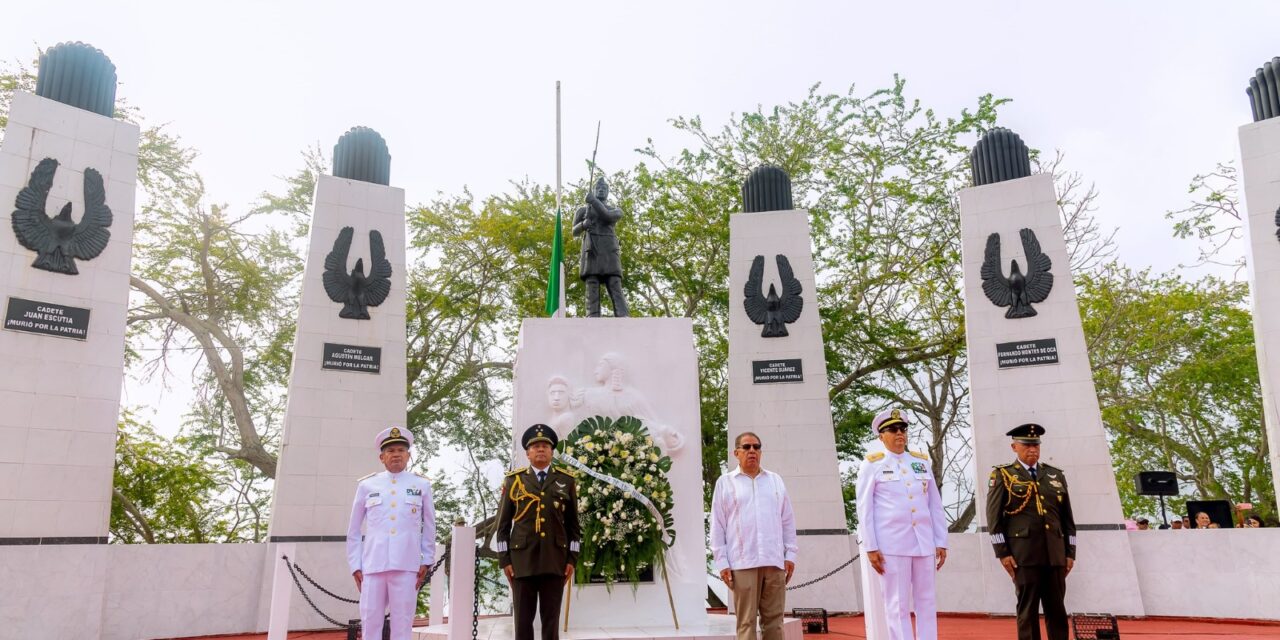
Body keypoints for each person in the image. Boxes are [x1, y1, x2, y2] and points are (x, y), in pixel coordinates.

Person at [856, 408, 948, 640]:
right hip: (892, 544)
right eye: (893, 430)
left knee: (927, 601)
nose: (899, 433)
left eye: (903, 429)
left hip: (923, 542)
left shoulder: (921, 463)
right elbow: (865, 509)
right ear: (881, 436)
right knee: (897, 604)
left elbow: (934, 505)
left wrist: (941, 541)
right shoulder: (872, 464)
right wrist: (871, 547)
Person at [986, 423, 1076, 640]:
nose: (1032, 449)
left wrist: (1070, 553)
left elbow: (1067, 519)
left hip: (1055, 555)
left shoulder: (1055, 475)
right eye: (1026, 445)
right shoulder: (1003, 475)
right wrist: (1002, 553)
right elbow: (994, 519)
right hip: (1023, 555)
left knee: (1057, 610)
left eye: (1036, 445)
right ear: (1014, 447)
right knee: (1027, 611)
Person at [346, 427, 436, 640]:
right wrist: (355, 565)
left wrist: (427, 559)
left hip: (407, 565)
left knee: (402, 625)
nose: (396, 454)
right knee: (370, 623)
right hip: (372, 565)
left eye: (401, 450)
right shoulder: (367, 485)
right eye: (391, 451)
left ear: (408, 455)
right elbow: (354, 530)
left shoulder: (421, 484)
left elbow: (430, 526)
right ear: (382, 457)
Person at [496, 424, 582, 640]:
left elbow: (574, 527)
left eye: (545, 446)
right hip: (521, 563)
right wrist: (505, 560)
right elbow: (502, 527)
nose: (540, 449)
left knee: (551, 623)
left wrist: (572, 559)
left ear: (552, 452)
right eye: (535, 446)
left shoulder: (566, 480)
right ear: (528, 453)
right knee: (523, 623)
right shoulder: (514, 481)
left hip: (555, 561)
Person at [711, 432, 798, 640]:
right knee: (746, 623)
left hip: (774, 561)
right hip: (742, 562)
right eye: (747, 447)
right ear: (736, 452)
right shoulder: (725, 483)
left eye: (756, 447)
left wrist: (790, 555)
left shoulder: (775, 481)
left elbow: (787, 520)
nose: (752, 451)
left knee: (775, 623)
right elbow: (717, 525)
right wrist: (721, 562)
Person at [572, 176, 629, 317]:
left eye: (604, 188)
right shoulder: (582, 211)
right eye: (598, 188)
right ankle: (592, 315)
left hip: (609, 248)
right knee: (592, 282)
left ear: (608, 192)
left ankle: (622, 315)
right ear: (593, 190)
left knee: (614, 282)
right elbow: (574, 231)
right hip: (591, 248)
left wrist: (593, 201)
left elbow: (607, 216)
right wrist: (583, 225)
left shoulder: (616, 210)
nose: (601, 190)